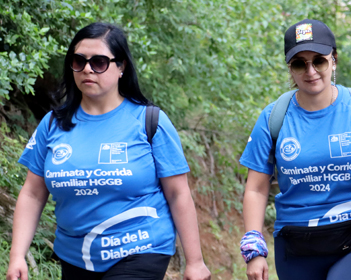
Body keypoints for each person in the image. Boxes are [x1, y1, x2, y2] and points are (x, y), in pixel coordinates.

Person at [5, 23, 210, 280]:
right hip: (76, 255)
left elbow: (178, 194)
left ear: (121, 66)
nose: (87, 69)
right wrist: (16, 255)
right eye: (78, 61)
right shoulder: (52, 124)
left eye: (99, 62)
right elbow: (33, 194)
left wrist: (195, 262)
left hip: (140, 248)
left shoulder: (149, 121)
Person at [240, 19, 351, 280]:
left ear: (334, 60)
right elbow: (256, 188)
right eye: (299, 63)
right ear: (290, 69)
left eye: (319, 60)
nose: (311, 70)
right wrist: (254, 248)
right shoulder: (274, 117)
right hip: (295, 244)